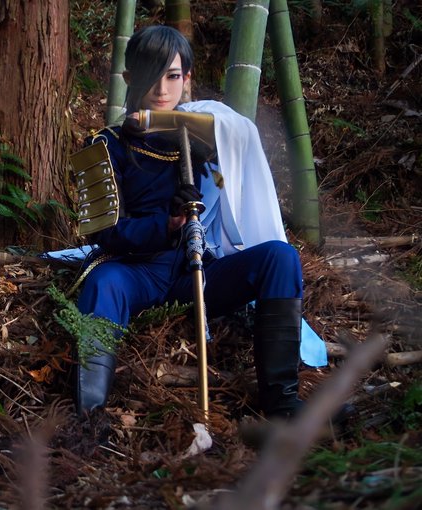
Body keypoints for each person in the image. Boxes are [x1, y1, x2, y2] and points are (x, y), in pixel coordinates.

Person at [71, 25, 323, 421]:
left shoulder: (204, 137)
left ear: (186, 78)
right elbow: (104, 232)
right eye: (150, 74)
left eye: (172, 75)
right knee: (103, 283)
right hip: (135, 272)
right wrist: (168, 223)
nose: (161, 88)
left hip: (196, 272)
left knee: (280, 257)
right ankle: (89, 417)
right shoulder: (105, 145)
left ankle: (283, 405)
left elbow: (242, 139)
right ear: (129, 78)